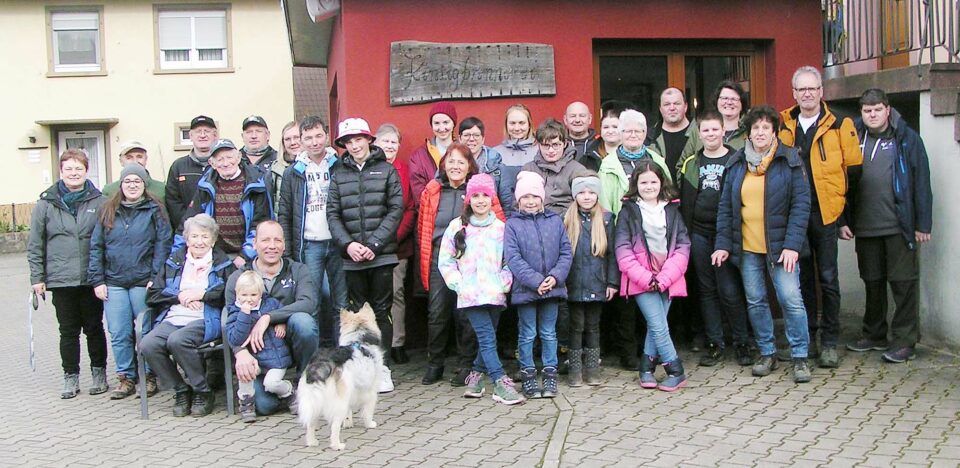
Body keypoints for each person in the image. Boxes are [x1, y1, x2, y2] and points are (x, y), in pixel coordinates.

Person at [713, 105, 813, 384]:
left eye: (765, 127)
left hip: (782, 248)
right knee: (756, 300)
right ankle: (767, 352)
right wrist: (723, 244)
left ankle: (800, 356)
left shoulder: (790, 160)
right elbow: (726, 208)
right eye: (755, 127)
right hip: (748, 247)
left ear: (774, 132)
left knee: (790, 299)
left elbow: (801, 205)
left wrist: (792, 246)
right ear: (748, 133)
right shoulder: (736, 163)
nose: (760, 132)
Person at [779, 66, 862, 368]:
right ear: (794, 93)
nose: (807, 94)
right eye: (802, 89)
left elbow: (853, 173)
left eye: (812, 88)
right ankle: (808, 340)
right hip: (796, 216)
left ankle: (829, 342)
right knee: (802, 280)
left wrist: (844, 217)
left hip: (826, 214)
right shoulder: (784, 126)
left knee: (828, 279)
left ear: (821, 92)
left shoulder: (840, 124)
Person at [844, 88, 933, 363]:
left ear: (887, 110)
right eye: (867, 110)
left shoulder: (907, 138)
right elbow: (841, 181)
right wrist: (844, 220)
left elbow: (921, 181)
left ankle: (905, 341)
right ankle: (874, 334)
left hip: (899, 226)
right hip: (865, 226)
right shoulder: (852, 137)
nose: (872, 115)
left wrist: (923, 224)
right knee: (872, 282)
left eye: (877, 110)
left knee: (903, 284)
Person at [327, 117, 404, 393]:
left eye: (359, 139)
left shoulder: (387, 170)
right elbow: (332, 214)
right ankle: (361, 367)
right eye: (349, 141)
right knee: (358, 315)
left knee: (382, 312)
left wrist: (374, 244)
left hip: (381, 256)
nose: (354, 145)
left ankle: (382, 368)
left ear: (369, 140)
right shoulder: (338, 174)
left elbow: (395, 209)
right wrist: (348, 245)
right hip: (351, 259)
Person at [418, 144, 505, 386]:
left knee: (466, 315)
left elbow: (499, 227)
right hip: (440, 256)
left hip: (473, 261)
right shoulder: (433, 190)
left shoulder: (479, 190)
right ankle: (435, 363)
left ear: (469, 166)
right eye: (451, 161)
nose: (455, 166)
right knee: (437, 312)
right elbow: (423, 226)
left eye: (461, 162)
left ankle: (465, 365)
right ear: (443, 164)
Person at [28, 149, 108, 399]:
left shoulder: (100, 201)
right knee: (68, 331)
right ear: (61, 172)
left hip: (91, 278)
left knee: (94, 328)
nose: (74, 173)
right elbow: (35, 243)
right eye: (69, 169)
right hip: (61, 279)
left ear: (86, 171)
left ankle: (99, 373)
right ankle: (70, 376)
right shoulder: (45, 204)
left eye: (79, 169)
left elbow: (108, 240)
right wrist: (37, 278)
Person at [437, 173, 522, 405]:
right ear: (469, 199)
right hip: (470, 294)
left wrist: (504, 282)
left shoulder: (501, 228)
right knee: (486, 337)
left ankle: (475, 377)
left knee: (488, 338)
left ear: (492, 198)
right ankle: (500, 381)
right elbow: (446, 260)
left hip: (495, 293)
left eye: (485, 195)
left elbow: (510, 260)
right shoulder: (457, 226)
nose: (481, 200)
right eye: (476, 196)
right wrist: (459, 284)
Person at [89, 164, 172, 399]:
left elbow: (163, 245)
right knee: (119, 332)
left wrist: (156, 277)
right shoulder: (107, 209)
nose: (132, 185)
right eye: (128, 181)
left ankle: (149, 375)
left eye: (137, 181)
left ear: (144, 184)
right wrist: (97, 280)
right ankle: (126, 378)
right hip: (113, 282)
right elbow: (96, 247)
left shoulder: (155, 209)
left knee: (146, 331)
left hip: (143, 281)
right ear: (121, 184)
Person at [141, 213, 236, 417]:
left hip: (205, 318)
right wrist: (179, 296)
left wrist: (202, 295)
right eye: (194, 236)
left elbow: (230, 295)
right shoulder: (173, 262)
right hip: (174, 317)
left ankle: (203, 391)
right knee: (148, 344)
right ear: (187, 239)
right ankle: (181, 390)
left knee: (178, 340)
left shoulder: (223, 264)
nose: (199, 242)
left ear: (213, 240)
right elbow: (152, 295)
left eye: (205, 236)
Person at [677, 111, 752, 367]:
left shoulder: (737, 159)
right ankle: (715, 343)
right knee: (706, 290)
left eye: (714, 129)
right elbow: (686, 201)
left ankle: (742, 342)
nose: (710, 134)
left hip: (728, 234)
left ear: (723, 131)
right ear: (699, 134)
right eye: (705, 130)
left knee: (729, 290)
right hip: (699, 233)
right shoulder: (691, 163)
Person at [225, 220, 320, 416]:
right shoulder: (239, 278)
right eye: (265, 240)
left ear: (284, 245)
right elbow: (230, 320)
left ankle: (304, 384)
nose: (272, 246)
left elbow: (308, 302)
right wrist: (239, 352)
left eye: (277, 240)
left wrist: (268, 317)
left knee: (304, 322)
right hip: (260, 355)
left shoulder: (297, 270)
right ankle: (284, 392)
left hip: (289, 343)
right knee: (264, 406)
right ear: (254, 244)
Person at [615, 161, 690, 392]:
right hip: (641, 279)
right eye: (643, 182)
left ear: (661, 183)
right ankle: (676, 370)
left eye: (653, 182)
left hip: (668, 277)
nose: (649, 186)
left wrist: (665, 277)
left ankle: (646, 368)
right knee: (658, 324)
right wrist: (646, 278)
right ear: (635, 184)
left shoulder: (672, 209)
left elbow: (683, 246)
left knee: (657, 325)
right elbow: (623, 250)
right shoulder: (628, 212)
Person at [277, 116, 347, 348]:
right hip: (309, 244)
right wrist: (288, 249)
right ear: (301, 140)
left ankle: (342, 354)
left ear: (326, 136)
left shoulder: (339, 165)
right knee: (311, 303)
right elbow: (285, 213)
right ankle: (314, 357)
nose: (314, 142)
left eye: (318, 136)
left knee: (341, 303)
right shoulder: (293, 172)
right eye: (308, 138)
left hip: (338, 242)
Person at [505, 171, 573, 399]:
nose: (530, 201)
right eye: (525, 197)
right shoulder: (512, 224)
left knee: (548, 333)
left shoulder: (555, 221)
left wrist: (554, 277)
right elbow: (513, 257)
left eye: (535, 196)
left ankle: (550, 375)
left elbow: (566, 252)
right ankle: (528, 376)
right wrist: (535, 281)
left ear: (542, 198)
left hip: (552, 289)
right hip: (526, 290)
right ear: (518, 199)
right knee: (527, 334)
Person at [176, 139, 273, 269]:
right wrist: (175, 257)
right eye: (220, 159)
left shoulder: (257, 184)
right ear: (212, 163)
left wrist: (245, 255)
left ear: (238, 157)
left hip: (249, 256)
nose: (225, 163)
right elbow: (189, 222)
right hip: (215, 256)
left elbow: (261, 224)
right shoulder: (205, 186)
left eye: (229, 157)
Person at [562, 174, 618, 386]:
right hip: (573, 283)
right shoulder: (566, 219)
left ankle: (593, 368)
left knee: (593, 325)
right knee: (575, 326)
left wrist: (612, 282)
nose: (587, 197)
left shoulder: (606, 219)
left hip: (597, 282)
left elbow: (612, 255)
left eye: (592, 192)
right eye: (582, 193)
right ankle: (575, 369)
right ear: (575, 195)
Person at [225, 270, 292, 423]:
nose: (248, 299)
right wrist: (244, 315)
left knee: (272, 384)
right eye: (244, 295)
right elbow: (236, 339)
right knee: (245, 373)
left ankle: (289, 392)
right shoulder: (235, 313)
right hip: (254, 360)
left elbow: (284, 313)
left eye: (253, 295)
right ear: (237, 294)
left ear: (261, 294)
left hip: (275, 359)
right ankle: (246, 401)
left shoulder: (271, 304)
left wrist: (281, 323)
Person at [375, 123, 415, 364]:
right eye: (385, 141)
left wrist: (392, 237)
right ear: (375, 143)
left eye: (393, 142)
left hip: (398, 246)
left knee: (396, 293)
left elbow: (409, 208)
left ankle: (397, 342)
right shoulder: (369, 168)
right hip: (370, 247)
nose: (389, 146)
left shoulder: (403, 170)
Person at [522, 119, 589, 215]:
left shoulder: (577, 170)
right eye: (546, 145)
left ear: (565, 143)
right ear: (538, 145)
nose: (551, 150)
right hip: (533, 218)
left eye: (556, 145)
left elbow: (586, 203)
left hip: (566, 219)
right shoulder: (529, 170)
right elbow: (518, 203)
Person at [166, 115, 218, 229]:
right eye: (198, 131)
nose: (203, 135)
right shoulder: (178, 166)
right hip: (188, 231)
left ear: (215, 135)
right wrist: (187, 225)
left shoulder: (223, 165)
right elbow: (173, 201)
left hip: (219, 231)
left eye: (207, 131)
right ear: (190, 136)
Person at [458, 117, 515, 210]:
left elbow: (507, 203)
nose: (471, 139)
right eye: (467, 135)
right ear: (460, 138)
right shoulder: (450, 165)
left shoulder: (497, 168)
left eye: (476, 135)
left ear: (483, 139)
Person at [410, 101, 458, 205]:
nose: (441, 128)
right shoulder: (418, 156)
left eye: (446, 122)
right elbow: (419, 194)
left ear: (453, 123)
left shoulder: (464, 151)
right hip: (430, 211)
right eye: (436, 123)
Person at [492, 104, 539, 208]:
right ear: (506, 125)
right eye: (512, 123)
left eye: (521, 123)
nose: (517, 128)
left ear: (529, 124)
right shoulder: (495, 153)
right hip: (505, 211)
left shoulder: (540, 151)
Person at [647, 88, 701, 175]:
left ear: (685, 107)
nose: (672, 108)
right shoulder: (649, 137)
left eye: (677, 103)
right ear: (660, 109)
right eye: (667, 104)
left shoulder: (701, 134)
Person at [580, 101, 635, 172]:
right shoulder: (589, 157)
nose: (610, 131)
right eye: (606, 127)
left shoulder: (635, 154)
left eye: (615, 127)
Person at [101, 141, 166, 201]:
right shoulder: (109, 191)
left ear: (146, 159)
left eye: (139, 157)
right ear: (121, 161)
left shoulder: (162, 189)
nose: (135, 161)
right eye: (129, 157)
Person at [270, 120, 302, 211]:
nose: (292, 142)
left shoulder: (315, 166)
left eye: (296, 137)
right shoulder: (275, 170)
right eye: (287, 139)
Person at [711, 81, 749, 150]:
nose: (729, 102)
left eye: (734, 99)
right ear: (717, 101)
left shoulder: (750, 133)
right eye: (725, 98)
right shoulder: (701, 130)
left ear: (742, 104)